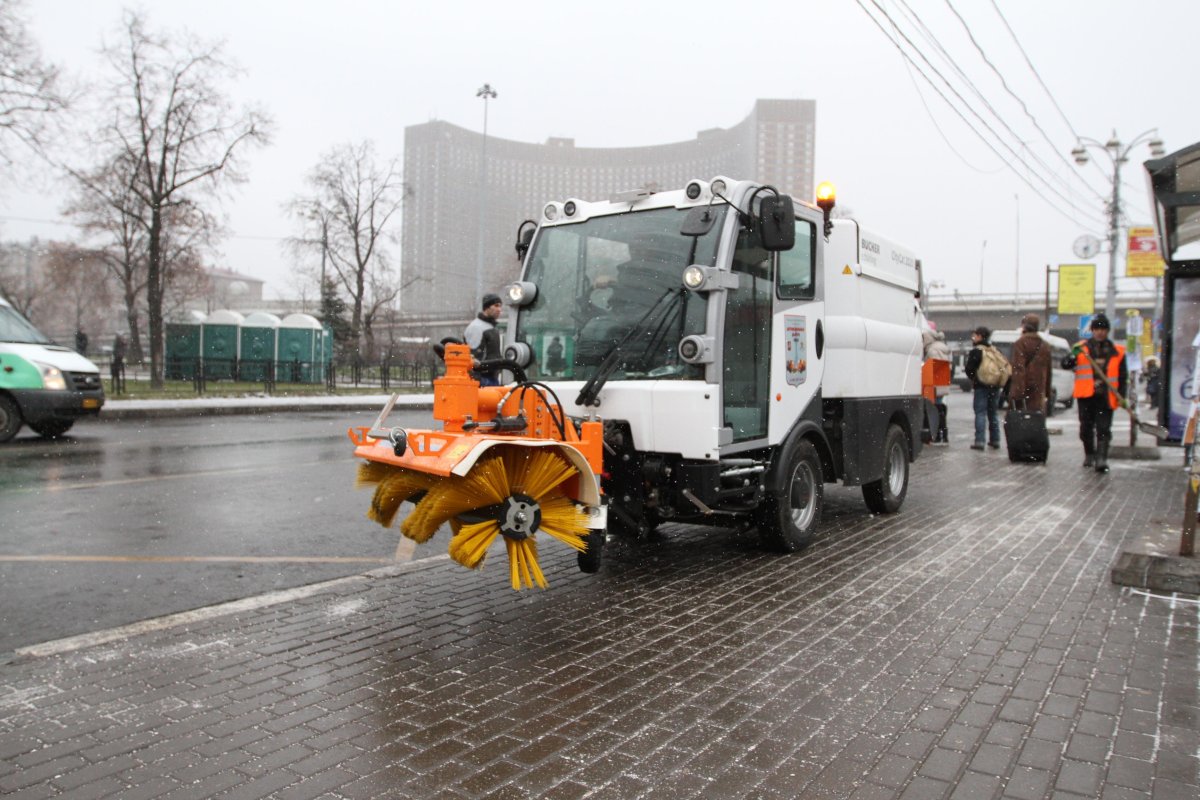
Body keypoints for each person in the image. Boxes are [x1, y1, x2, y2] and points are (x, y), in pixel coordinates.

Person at [1062, 313, 1127, 473]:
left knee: (1104, 428)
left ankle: (1101, 459)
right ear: (1092, 330)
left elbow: (1122, 376)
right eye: (1097, 329)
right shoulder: (1081, 348)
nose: (1100, 332)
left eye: (1103, 329)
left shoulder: (1117, 351)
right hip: (1086, 396)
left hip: (1106, 397)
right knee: (1086, 428)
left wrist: (1122, 396)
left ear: (1107, 331)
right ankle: (1089, 454)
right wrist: (1072, 355)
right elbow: (1066, 364)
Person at [964, 326, 1002, 451]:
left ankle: (980, 441)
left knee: (980, 413)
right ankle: (995, 440)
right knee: (993, 413)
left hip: (981, 386)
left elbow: (969, 369)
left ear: (980, 336)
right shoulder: (994, 351)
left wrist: (974, 378)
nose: (973, 337)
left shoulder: (977, 351)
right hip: (995, 386)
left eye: (974, 335)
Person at [1008, 313, 1052, 413]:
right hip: (1038, 390)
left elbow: (1019, 368)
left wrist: (1017, 393)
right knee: (1035, 420)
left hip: (1024, 388)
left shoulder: (1021, 343)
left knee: (1020, 421)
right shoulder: (1045, 345)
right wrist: (1047, 392)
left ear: (1024, 325)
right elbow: (1048, 371)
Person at [464, 293, 503, 386]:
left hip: (490, 377)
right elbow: (473, 356)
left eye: (500, 306)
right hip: (483, 379)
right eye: (496, 306)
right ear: (487, 307)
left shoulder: (490, 327)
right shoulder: (477, 328)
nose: (499, 309)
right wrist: (477, 381)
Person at [921, 324, 952, 445]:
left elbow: (933, 367)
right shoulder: (941, 347)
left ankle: (939, 435)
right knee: (940, 408)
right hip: (942, 382)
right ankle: (943, 435)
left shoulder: (933, 350)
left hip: (934, 384)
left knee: (936, 409)